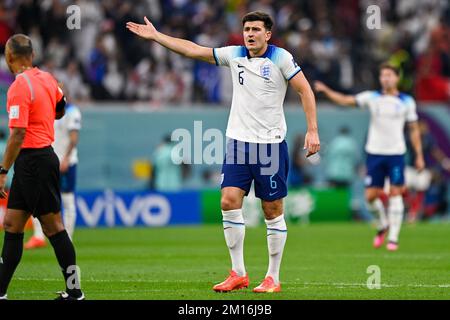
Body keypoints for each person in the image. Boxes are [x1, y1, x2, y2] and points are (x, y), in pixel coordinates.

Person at [127, 11, 320, 293]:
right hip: (239, 143)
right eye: (246, 29)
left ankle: (273, 278)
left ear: (268, 34)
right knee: (229, 201)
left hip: (270, 145)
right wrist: (157, 37)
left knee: (272, 209)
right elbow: (194, 50)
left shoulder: (281, 58)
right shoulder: (234, 54)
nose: (250, 34)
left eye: (256, 29)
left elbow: (305, 91)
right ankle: (238, 273)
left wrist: (312, 129)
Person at [0, 34, 84, 300]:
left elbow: (18, 134)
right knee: (12, 225)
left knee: (54, 228)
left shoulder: (18, 87)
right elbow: (62, 107)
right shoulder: (47, 79)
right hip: (38, 159)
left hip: (34, 160)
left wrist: (2, 170)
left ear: (9, 57)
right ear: (32, 56)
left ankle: (75, 292)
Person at [315, 63, 425, 251]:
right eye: (383, 75)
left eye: (389, 75)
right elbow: (345, 100)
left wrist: (419, 156)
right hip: (374, 153)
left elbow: (414, 130)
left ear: (397, 78)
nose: (386, 78)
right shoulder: (372, 98)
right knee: (370, 196)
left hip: (396, 153)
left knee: (396, 193)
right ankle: (383, 224)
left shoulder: (407, 101)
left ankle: (394, 238)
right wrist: (326, 90)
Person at [25, 90, 82, 249]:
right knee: (36, 197)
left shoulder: (71, 111)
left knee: (67, 200)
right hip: (48, 161)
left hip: (66, 163)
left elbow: (74, 138)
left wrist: (66, 159)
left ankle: (68, 238)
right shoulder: (47, 110)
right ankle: (38, 237)